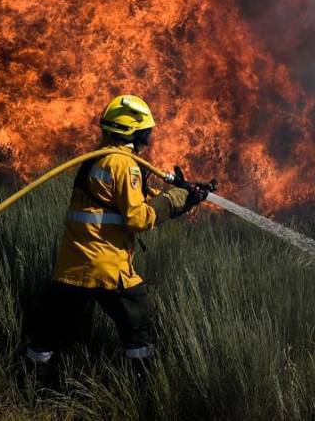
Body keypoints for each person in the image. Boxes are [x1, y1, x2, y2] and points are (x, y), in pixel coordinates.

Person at [24, 94, 211, 375]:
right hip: (109, 268)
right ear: (132, 132)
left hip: (74, 265)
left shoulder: (98, 158)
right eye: (145, 131)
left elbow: (134, 199)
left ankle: (31, 383)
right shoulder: (124, 165)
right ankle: (145, 387)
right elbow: (138, 217)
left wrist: (185, 197)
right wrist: (174, 201)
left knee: (49, 331)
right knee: (138, 329)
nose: (148, 136)